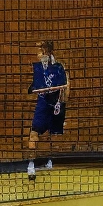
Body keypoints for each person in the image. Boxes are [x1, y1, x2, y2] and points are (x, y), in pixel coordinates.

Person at [26, 40, 68, 181]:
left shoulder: (58, 67)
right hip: (42, 104)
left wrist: (61, 104)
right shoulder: (39, 69)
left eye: (39, 51)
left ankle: (49, 160)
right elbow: (35, 85)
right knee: (33, 134)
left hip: (55, 104)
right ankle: (31, 165)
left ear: (46, 51)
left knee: (52, 135)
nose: (37, 54)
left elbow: (65, 87)